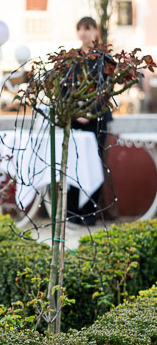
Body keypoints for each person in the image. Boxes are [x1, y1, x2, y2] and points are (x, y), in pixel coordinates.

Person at [66, 16, 111, 225]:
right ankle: (73, 212)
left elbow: (105, 91)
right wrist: (75, 113)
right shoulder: (71, 60)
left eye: (88, 28)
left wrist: (90, 113)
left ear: (96, 31)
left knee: (94, 163)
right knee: (74, 163)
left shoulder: (105, 60)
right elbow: (64, 91)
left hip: (97, 121)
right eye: (80, 28)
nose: (84, 32)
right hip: (74, 121)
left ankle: (90, 213)